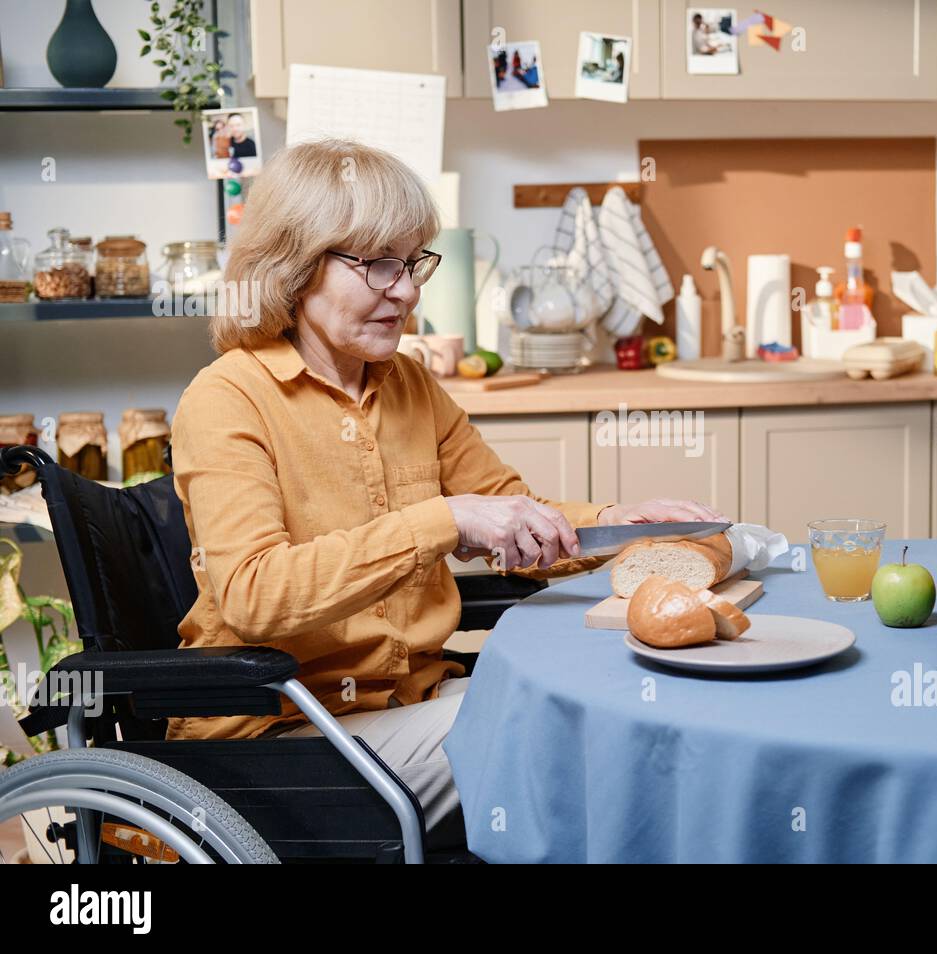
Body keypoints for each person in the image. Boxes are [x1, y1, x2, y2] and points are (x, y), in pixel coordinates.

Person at [164, 138, 724, 837]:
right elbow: (255, 593)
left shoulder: (410, 387)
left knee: (611, 698)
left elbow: (512, 507)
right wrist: (447, 520)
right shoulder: (227, 399)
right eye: (377, 266)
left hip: (410, 707)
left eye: (412, 262)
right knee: (571, 730)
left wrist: (622, 520)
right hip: (286, 737)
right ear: (295, 265)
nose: (406, 290)